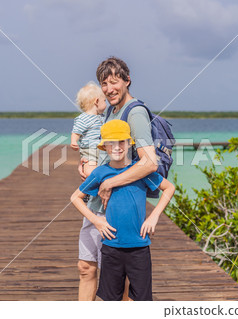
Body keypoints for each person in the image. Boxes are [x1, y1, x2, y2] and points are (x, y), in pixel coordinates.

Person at [76, 57, 159, 301]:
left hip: (113, 204)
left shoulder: (135, 113)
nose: (109, 88)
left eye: (115, 82)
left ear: (127, 81)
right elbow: (108, 150)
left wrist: (110, 182)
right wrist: (90, 169)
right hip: (97, 200)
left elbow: (149, 161)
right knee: (85, 267)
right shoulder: (111, 110)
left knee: (116, 280)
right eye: (104, 83)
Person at [71, 120, 175, 301]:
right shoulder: (100, 173)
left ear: (129, 144)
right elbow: (75, 198)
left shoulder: (141, 172)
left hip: (140, 247)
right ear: (104, 147)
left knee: (141, 299)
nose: (117, 147)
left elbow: (169, 188)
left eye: (121, 142)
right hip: (111, 247)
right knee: (111, 299)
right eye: (111, 143)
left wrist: (154, 216)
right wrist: (97, 221)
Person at [70, 81, 107, 177]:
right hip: (89, 149)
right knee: (90, 171)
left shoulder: (102, 117)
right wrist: (74, 141)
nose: (106, 104)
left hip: (103, 149)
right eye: (104, 101)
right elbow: (76, 132)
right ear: (97, 101)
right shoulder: (83, 118)